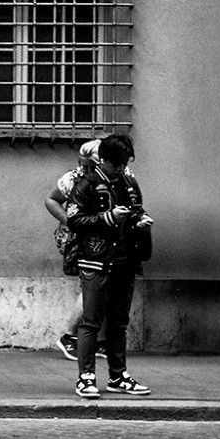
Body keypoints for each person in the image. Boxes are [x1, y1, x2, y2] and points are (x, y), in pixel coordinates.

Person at [61, 132, 153, 398]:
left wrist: (140, 220)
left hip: (126, 260)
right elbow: (74, 219)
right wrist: (108, 218)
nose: (121, 169)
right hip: (95, 260)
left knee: (118, 323)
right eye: (116, 164)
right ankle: (86, 377)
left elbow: (138, 209)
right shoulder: (86, 183)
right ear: (103, 160)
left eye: (124, 163)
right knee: (90, 322)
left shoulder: (128, 182)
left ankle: (118, 376)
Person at [44, 138, 103, 359]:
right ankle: (69, 337)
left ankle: (91, 340)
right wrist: (70, 222)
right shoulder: (73, 178)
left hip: (103, 239)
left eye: (90, 166)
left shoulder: (116, 174)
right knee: (92, 285)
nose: (85, 170)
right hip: (81, 239)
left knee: (98, 286)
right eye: (82, 164)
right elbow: (51, 199)